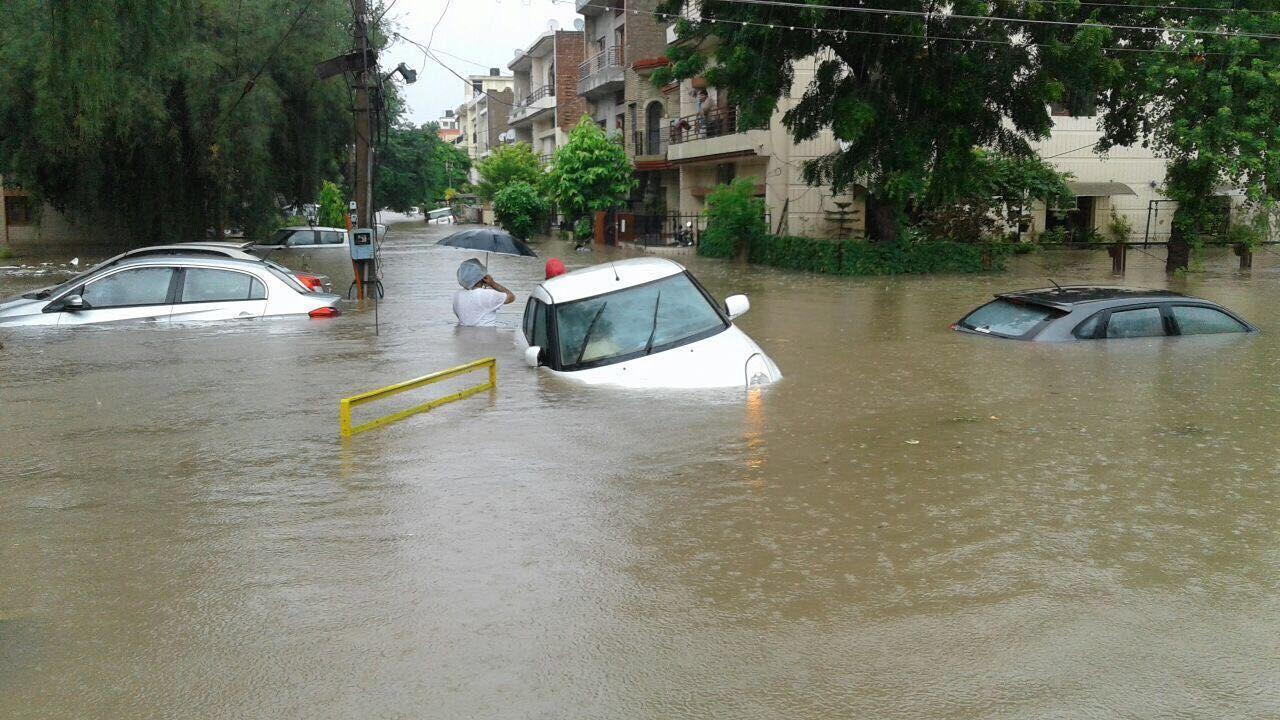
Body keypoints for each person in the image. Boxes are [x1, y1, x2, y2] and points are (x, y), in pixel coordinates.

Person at [452, 258, 514, 327]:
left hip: (463, 335)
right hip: (486, 335)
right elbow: (511, 297)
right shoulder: (487, 294)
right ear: (482, 277)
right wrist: (493, 283)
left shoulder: (457, 295)